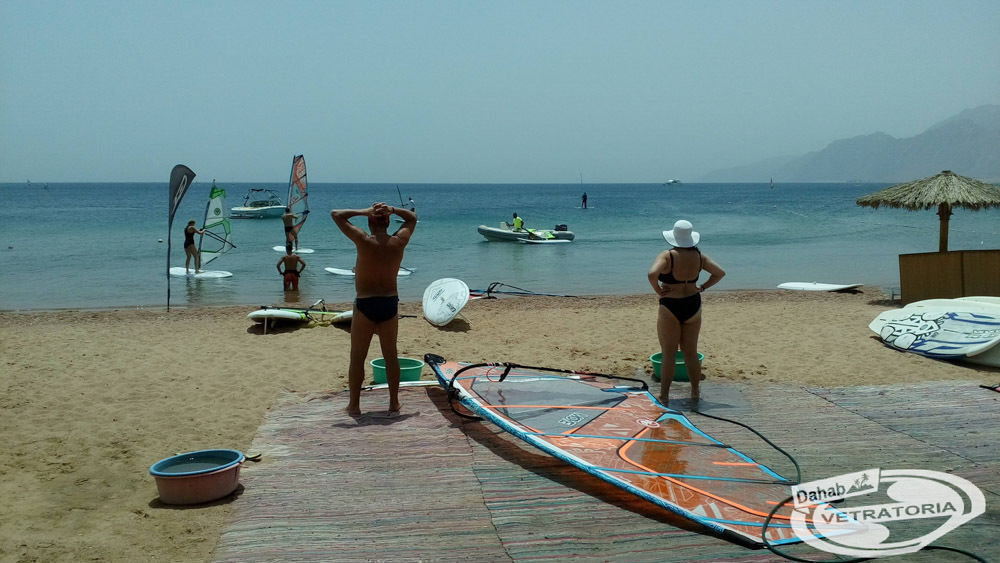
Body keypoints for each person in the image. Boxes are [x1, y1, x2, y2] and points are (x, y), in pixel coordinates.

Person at [331, 202, 418, 417]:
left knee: (357, 357)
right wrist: (393, 209)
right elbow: (412, 218)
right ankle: (394, 403)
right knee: (391, 356)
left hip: (365, 304)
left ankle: (354, 406)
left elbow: (337, 214)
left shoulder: (363, 239)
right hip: (389, 303)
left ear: (369, 222)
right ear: (388, 222)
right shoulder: (398, 242)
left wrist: (363, 211)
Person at [647, 219, 725, 404]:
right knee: (691, 353)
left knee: (669, 353)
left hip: (671, 305)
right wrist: (703, 286)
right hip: (693, 304)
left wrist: (658, 290)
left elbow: (652, 274)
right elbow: (719, 273)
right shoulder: (699, 256)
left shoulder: (668, 256)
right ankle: (695, 392)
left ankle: (664, 395)